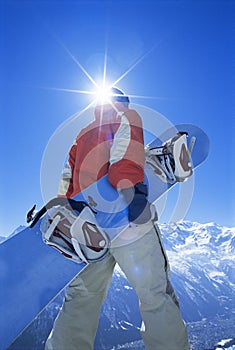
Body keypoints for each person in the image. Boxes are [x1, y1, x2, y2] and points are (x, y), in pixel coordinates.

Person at [45, 87, 190, 350]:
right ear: (122, 102)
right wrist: (134, 199)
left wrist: (67, 214)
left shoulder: (82, 135)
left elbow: (66, 180)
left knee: (80, 299)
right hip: (128, 223)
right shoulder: (128, 116)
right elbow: (123, 158)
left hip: (89, 231)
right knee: (155, 295)